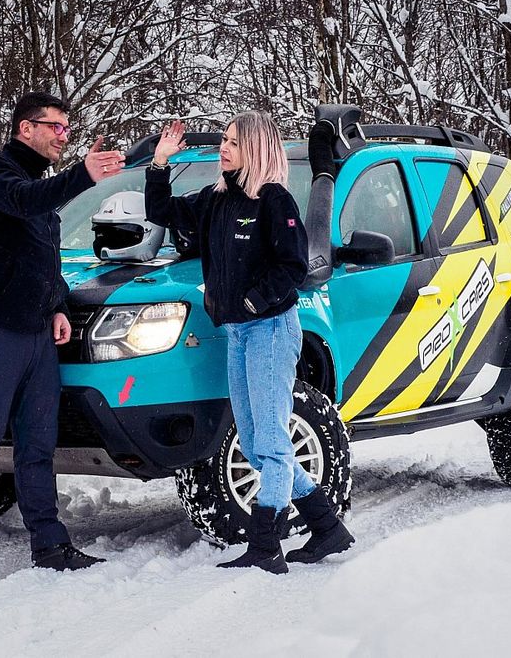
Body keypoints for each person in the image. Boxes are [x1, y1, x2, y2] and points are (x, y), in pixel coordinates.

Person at [145, 112, 354, 574]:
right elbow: (162, 212)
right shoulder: (216, 200)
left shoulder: (274, 201)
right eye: (223, 140)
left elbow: (292, 269)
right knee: (258, 445)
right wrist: (159, 164)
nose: (224, 148)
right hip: (237, 334)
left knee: (273, 442)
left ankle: (265, 546)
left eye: (234, 143)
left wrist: (252, 303)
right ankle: (326, 527)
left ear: (256, 149)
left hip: (271, 331)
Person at [0, 92, 125, 588]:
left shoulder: (42, 191)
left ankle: (48, 544)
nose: (63, 138)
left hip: (35, 334)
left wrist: (58, 306)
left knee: (37, 444)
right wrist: (84, 176)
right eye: (57, 128)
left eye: (68, 129)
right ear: (26, 129)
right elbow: (25, 203)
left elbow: (42, 260)